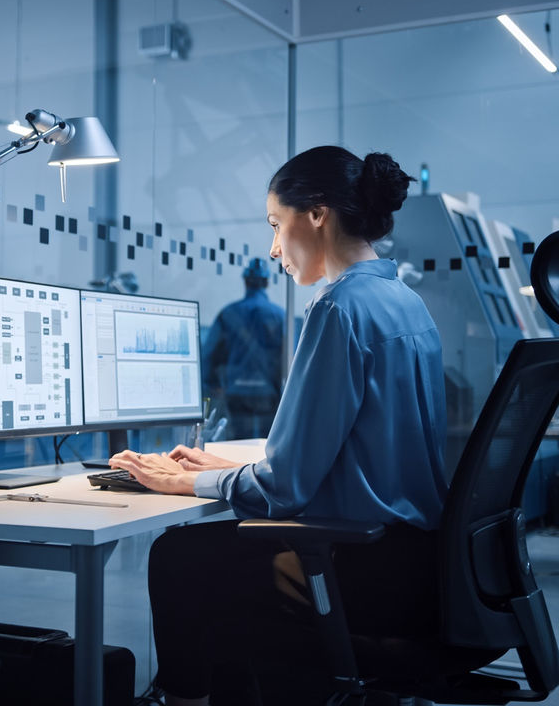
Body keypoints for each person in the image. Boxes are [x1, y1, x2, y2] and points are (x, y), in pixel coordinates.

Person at [110, 146, 448, 706]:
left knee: (177, 555)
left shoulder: (338, 308)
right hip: (412, 560)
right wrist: (231, 469)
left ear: (316, 214)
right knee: (215, 561)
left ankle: (183, 701)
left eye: (275, 224)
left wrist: (182, 481)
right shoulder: (404, 301)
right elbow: (357, 458)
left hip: (358, 568)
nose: (272, 249)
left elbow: (283, 489)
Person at [202, 257, 285, 439]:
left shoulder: (229, 313)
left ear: (246, 281)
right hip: (269, 394)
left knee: (238, 445)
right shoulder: (279, 315)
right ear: (267, 282)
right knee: (268, 446)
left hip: (236, 393)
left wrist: (212, 384)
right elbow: (291, 358)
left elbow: (209, 353)